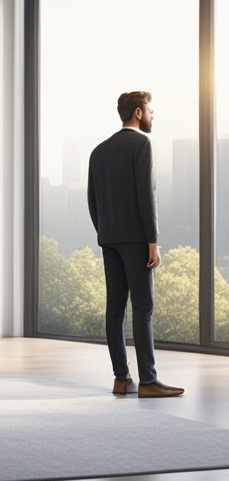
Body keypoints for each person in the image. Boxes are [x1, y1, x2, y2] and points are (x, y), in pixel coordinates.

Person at [87, 90, 183, 398]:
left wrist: (105, 231)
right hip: (136, 240)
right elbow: (147, 195)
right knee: (143, 308)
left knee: (115, 309)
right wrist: (152, 240)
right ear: (138, 113)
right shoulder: (142, 144)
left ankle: (121, 379)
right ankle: (149, 381)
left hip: (109, 239)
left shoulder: (98, 151)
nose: (154, 116)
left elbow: (92, 199)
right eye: (151, 110)